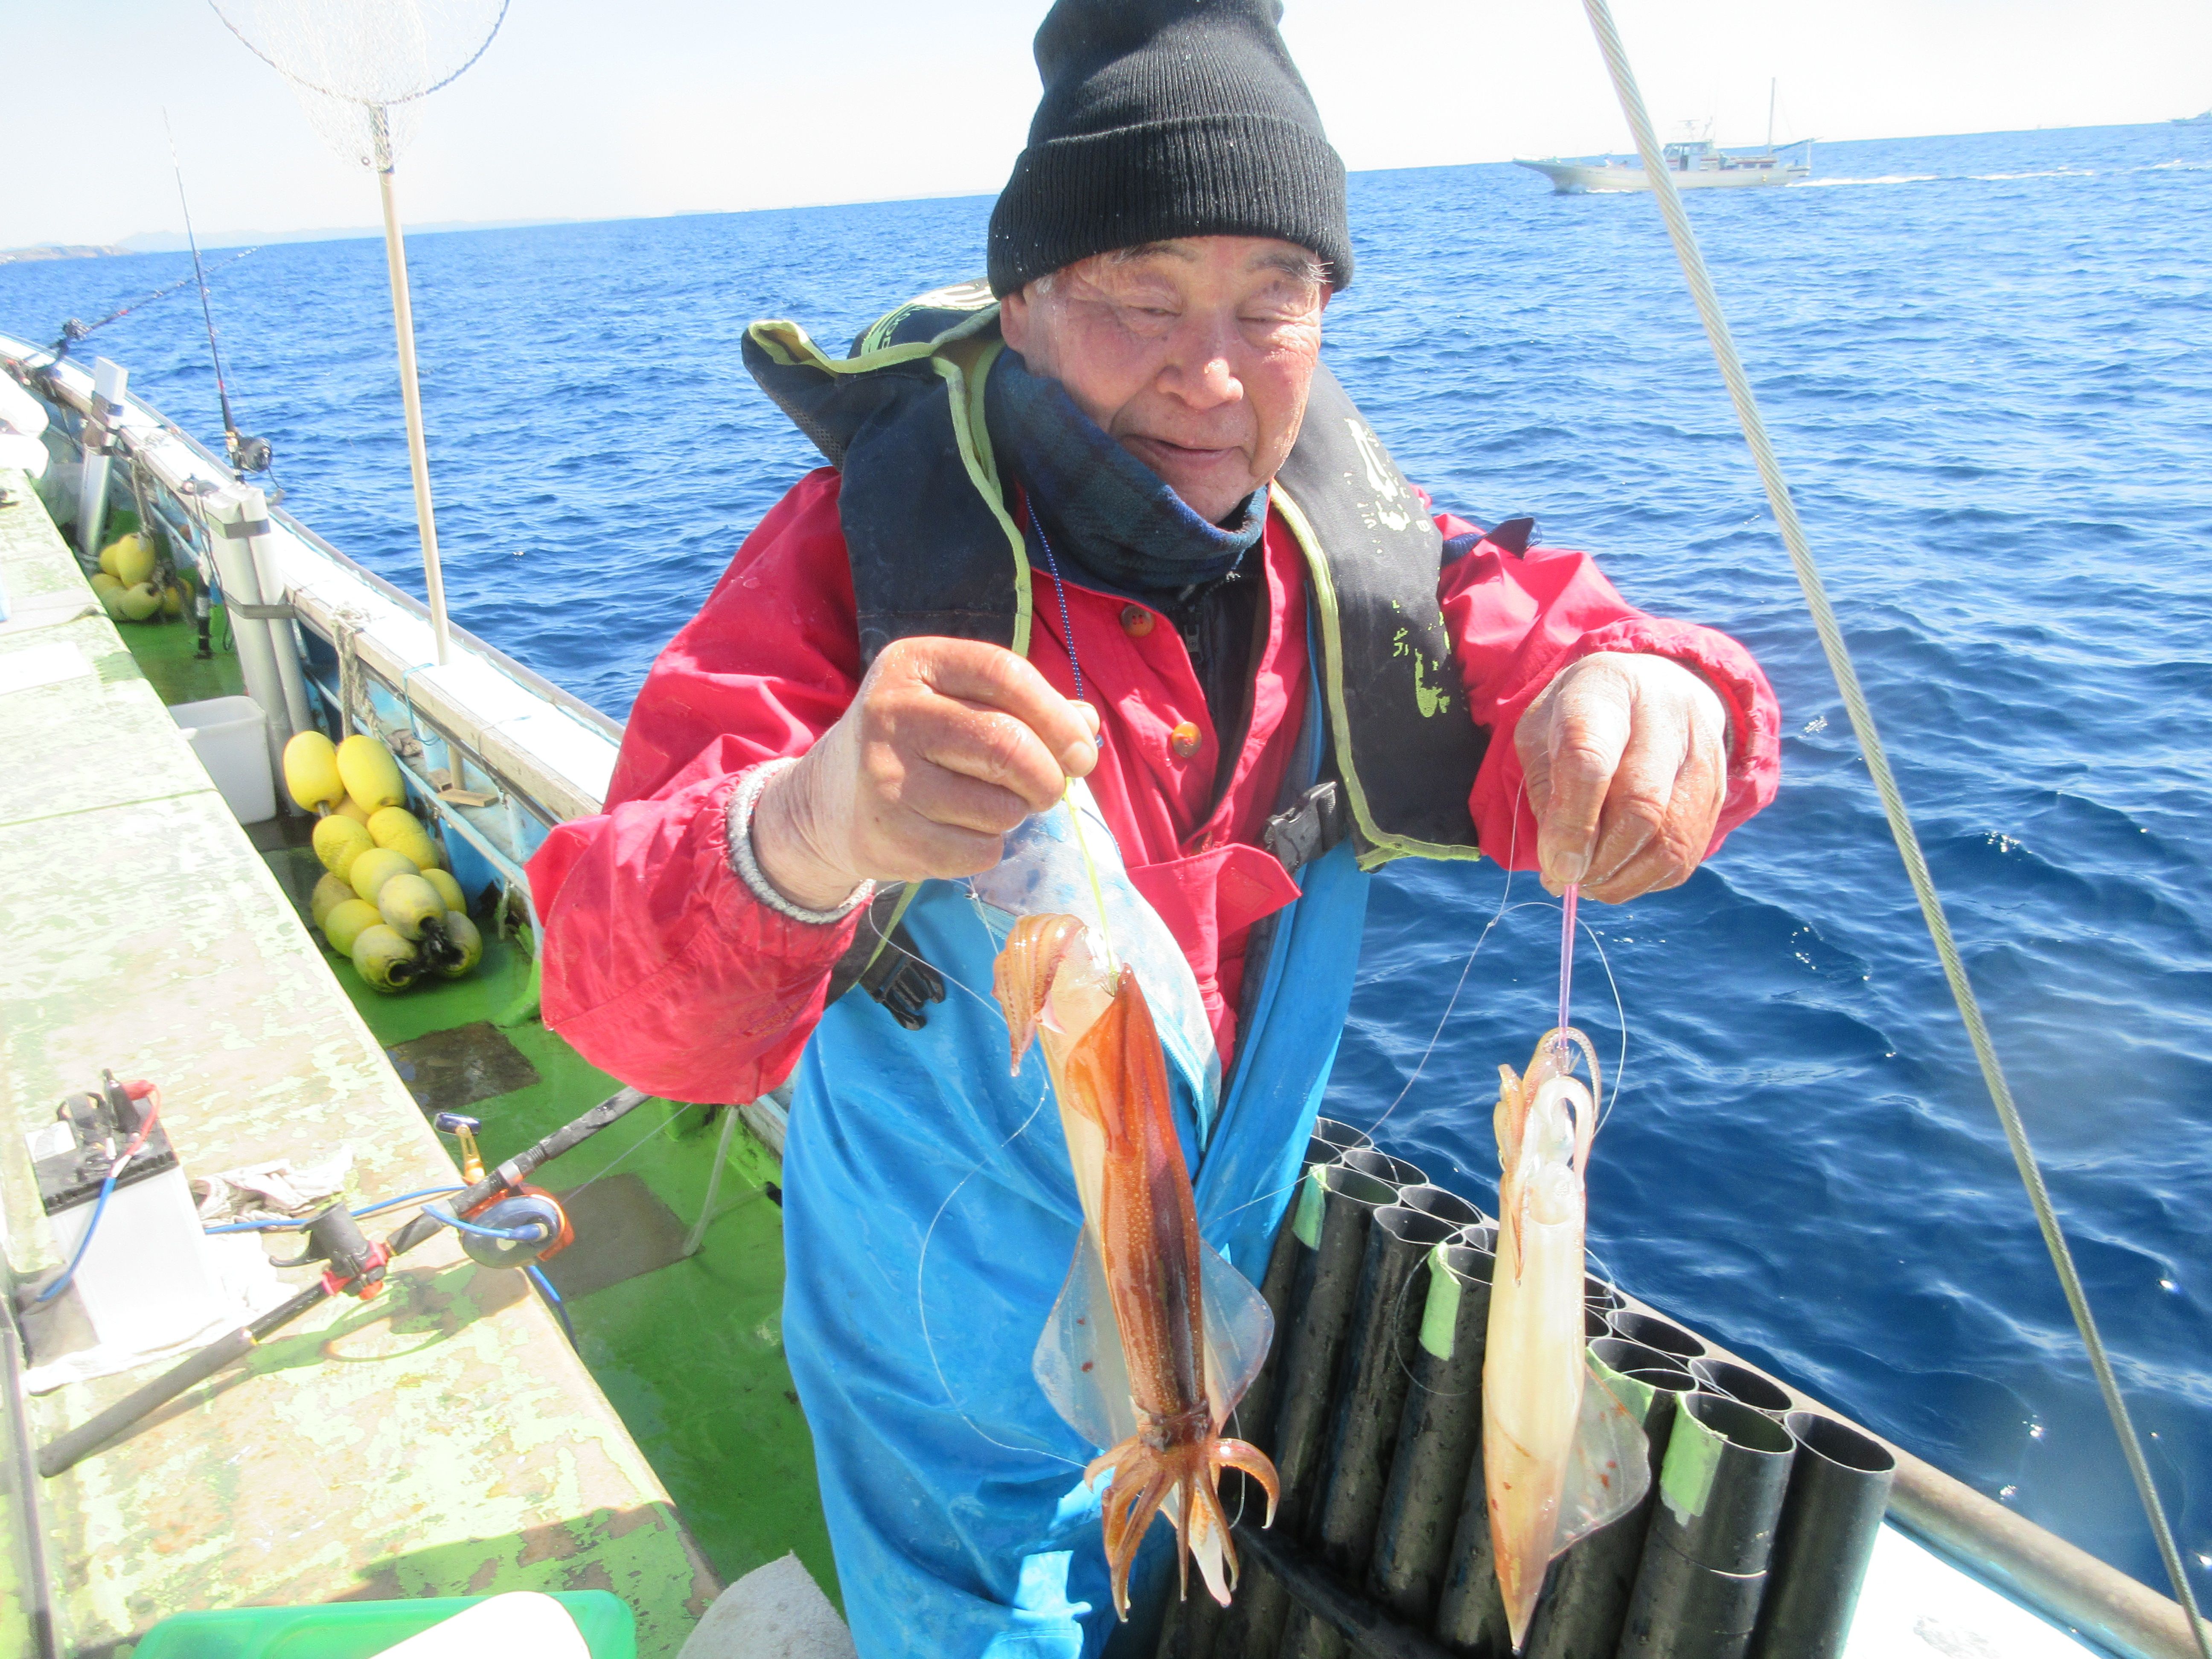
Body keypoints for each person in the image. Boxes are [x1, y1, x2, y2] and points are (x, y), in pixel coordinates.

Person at [530, 1, 1779, 1652]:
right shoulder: (854, 564)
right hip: (937, 1372)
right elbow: (616, 996)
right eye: (1140, 293)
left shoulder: (1353, 574)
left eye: (1275, 298)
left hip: (1205, 1319)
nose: (1211, 373)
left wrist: (1655, 697)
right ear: (1025, 303)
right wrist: (810, 823)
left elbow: (1566, 643)